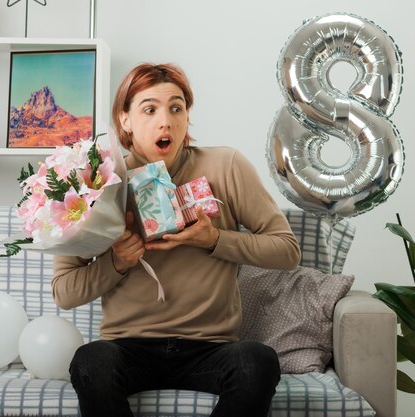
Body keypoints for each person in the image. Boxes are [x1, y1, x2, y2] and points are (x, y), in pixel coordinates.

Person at [52, 63, 301, 417]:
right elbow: (65, 291)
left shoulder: (225, 166)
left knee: (256, 361)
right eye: (149, 109)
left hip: (211, 349)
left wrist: (215, 240)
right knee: (92, 361)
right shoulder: (96, 182)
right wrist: (117, 262)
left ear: (187, 116)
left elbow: (287, 251)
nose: (165, 121)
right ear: (125, 120)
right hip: (128, 348)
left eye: (176, 107)